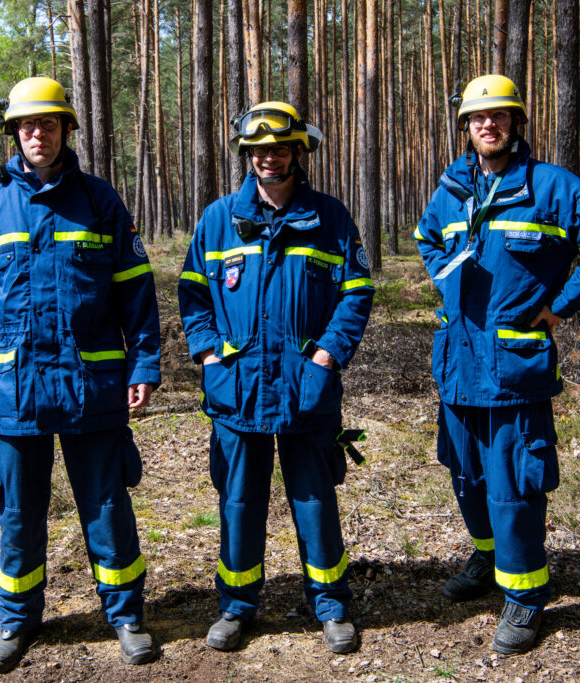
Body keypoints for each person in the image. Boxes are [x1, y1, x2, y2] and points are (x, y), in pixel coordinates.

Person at [414, 74, 580, 655]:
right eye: (478, 118)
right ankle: (487, 560)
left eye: (500, 116)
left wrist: (559, 308)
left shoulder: (551, 186)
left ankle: (525, 597)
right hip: (458, 364)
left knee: (514, 486)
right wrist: (446, 273)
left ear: (516, 123)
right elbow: (426, 237)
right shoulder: (454, 186)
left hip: (514, 369)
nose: (489, 125)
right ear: (465, 127)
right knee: (466, 475)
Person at [0, 76, 161, 672]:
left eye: (46, 123)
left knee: (105, 503)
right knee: (19, 510)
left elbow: (135, 294)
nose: (35, 134)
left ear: (67, 128)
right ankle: (17, 623)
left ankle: (125, 617)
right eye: (25, 125)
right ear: (14, 133)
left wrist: (144, 363)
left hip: (91, 386)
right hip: (14, 389)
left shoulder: (100, 201)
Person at [177, 102, 374, 654]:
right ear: (249, 156)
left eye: (279, 149)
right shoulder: (218, 219)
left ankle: (332, 604)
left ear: (297, 153)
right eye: (259, 150)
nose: (268, 158)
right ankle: (237, 607)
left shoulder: (331, 218)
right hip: (236, 389)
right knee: (239, 500)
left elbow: (356, 294)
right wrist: (209, 356)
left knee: (314, 500)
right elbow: (193, 295)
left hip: (306, 389)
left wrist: (328, 355)